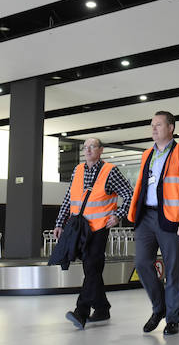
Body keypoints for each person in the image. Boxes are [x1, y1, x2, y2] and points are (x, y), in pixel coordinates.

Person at [126, 111, 179, 335]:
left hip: (171, 218)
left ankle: (173, 318)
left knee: (174, 269)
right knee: (142, 263)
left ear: (171, 128)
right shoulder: (147, 154)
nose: (153, 129)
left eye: (158, 125)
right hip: (146, 216)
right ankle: (160, 308)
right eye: (152, 126)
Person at [57, 138, 133, 330]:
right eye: (85, 147)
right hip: (79, 228)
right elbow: (69, 198)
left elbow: (130, 195)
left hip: (99, 228)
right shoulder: (78, 170)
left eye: (92, 146)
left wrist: (118, 216)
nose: (88, 150)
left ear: (101, 150)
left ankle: (80, 312)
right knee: (90, 269)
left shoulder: (110, 171)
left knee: (91, 267)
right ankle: (102, 308)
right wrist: (60, 223)